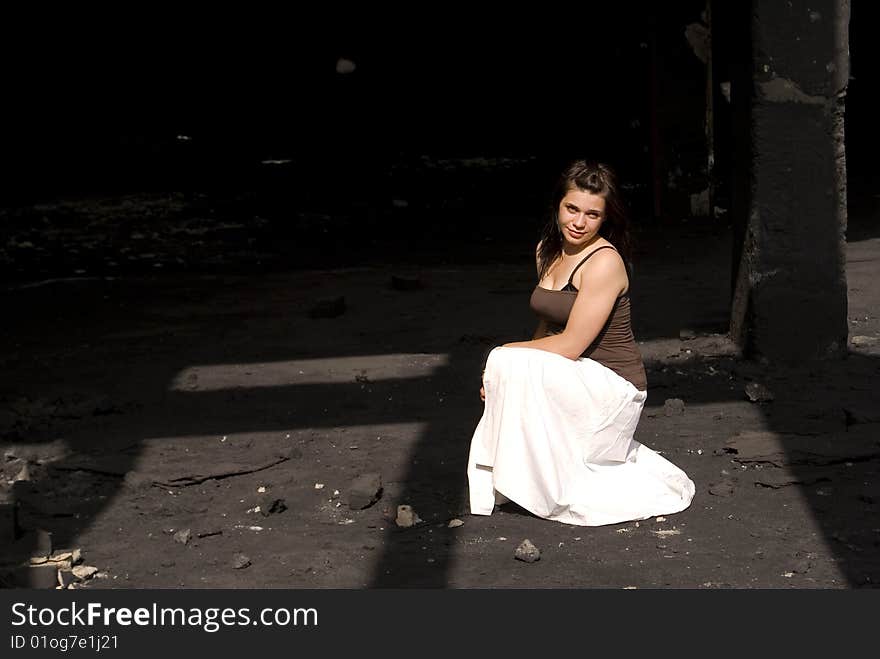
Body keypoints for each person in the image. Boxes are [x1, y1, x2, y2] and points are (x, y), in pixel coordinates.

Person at [467, 160, 695, 526]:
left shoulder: (604, 262)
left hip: (612, 384)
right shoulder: (547, 249)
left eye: (592, 214)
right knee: (506, 369)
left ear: (605, 219)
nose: (578, 222)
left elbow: (571, 345)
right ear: (558, 205)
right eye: (572, 209)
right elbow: (547, 328)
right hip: (571, 374)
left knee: (504, 360)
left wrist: (503, 357)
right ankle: (518, 480)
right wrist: (503, 377)